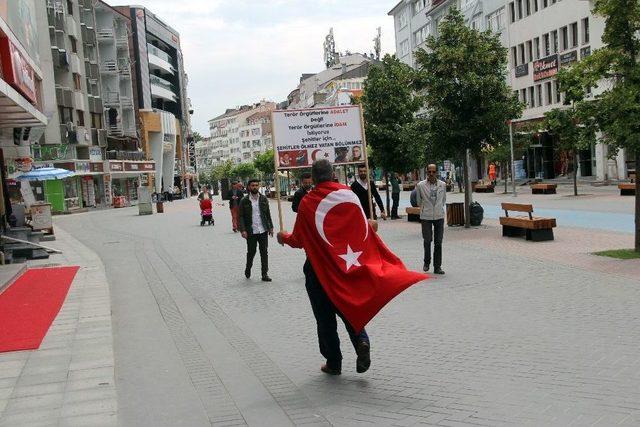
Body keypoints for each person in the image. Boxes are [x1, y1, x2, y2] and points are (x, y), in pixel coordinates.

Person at [277, 160, 371, 375]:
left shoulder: (308, 202)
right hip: (344, 264)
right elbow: (360, 226)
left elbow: (299, 239)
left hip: (318, 269)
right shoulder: (349, 194)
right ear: (332, 174)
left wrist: (284, 237)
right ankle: (362, 340)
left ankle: (334, 362)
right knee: (348, 308)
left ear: (314, 176)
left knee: (324, 318)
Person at [238, 179, 274, 282]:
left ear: (259, 186)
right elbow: (240, 216)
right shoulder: (244, 200)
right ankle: (248, 268)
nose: (255, 187)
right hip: (251, 231)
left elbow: (267, 214)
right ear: (249, 187)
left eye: (256, 185)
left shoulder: (263, 199)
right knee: (251, 252)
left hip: (262, 230)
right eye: (252, 185)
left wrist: (270, 227)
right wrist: (243, 230)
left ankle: (264, 274)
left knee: (264, 252)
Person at [415, 164, 446, 275]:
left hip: (439, 216)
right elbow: (418, 202)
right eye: (429, 172)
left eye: (433, 172)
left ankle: (437, 267)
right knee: (427, 240)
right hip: (426, 216)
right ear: (426, 172)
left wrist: (438, 209)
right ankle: (426, 262)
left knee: (438, 242)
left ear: (437, 172)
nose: (431, 174)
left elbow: (443, 200)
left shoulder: (443, 185)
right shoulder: (420, 185)